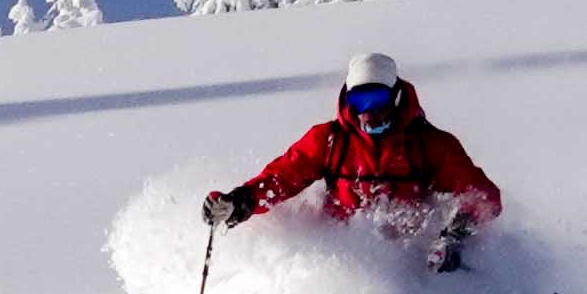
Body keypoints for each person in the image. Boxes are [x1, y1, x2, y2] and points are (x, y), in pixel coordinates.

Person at [206, 50, 504, 268]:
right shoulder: (330, 141)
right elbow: (280, 179)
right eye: (359, 101)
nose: (369, 111)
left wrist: (454, 236)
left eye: (378, 100)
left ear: (396, 97)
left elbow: (484, 197)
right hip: (342, 258)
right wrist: (239, 202)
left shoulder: (429, 144)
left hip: (411, 263)